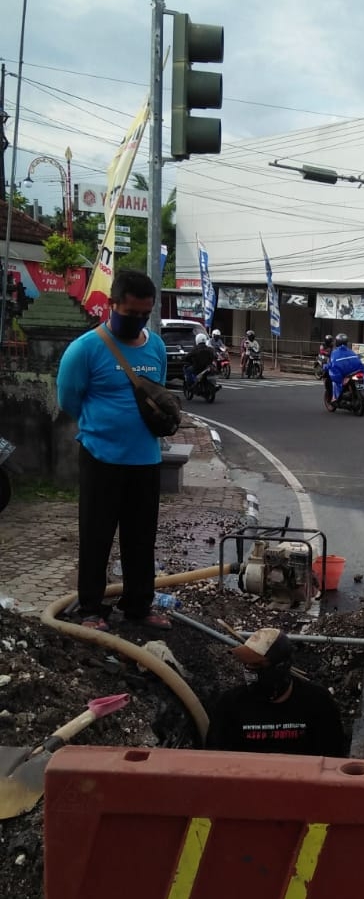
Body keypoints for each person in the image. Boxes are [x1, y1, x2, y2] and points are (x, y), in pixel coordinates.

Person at [56, 269, 172, 633]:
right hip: (101, 459)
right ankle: (91, 608)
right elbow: (69, 399)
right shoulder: (85, 349)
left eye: (143, 314)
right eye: (129, 312)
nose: (136, 320)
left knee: (141, 539)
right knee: (96, 536)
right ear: (111, 305)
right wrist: (104, 428)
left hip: (146, 461)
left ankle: (138, 606)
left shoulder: (156, 347)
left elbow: (159, 394)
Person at [206, 628, 350, 757]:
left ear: (281, 666)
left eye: (257, 665)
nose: (249, 670)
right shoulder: (230, 703)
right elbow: (216, 757)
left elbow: (333, 755)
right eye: (246, 664)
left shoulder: (316, 701)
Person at [326, 333, 364, 402]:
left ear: (337, 342)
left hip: (346, 373)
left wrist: (325, 367)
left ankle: (335, 397)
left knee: (335, 381)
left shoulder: (335, 352)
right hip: (357, 370)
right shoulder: (350, 351)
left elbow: (332, 364)